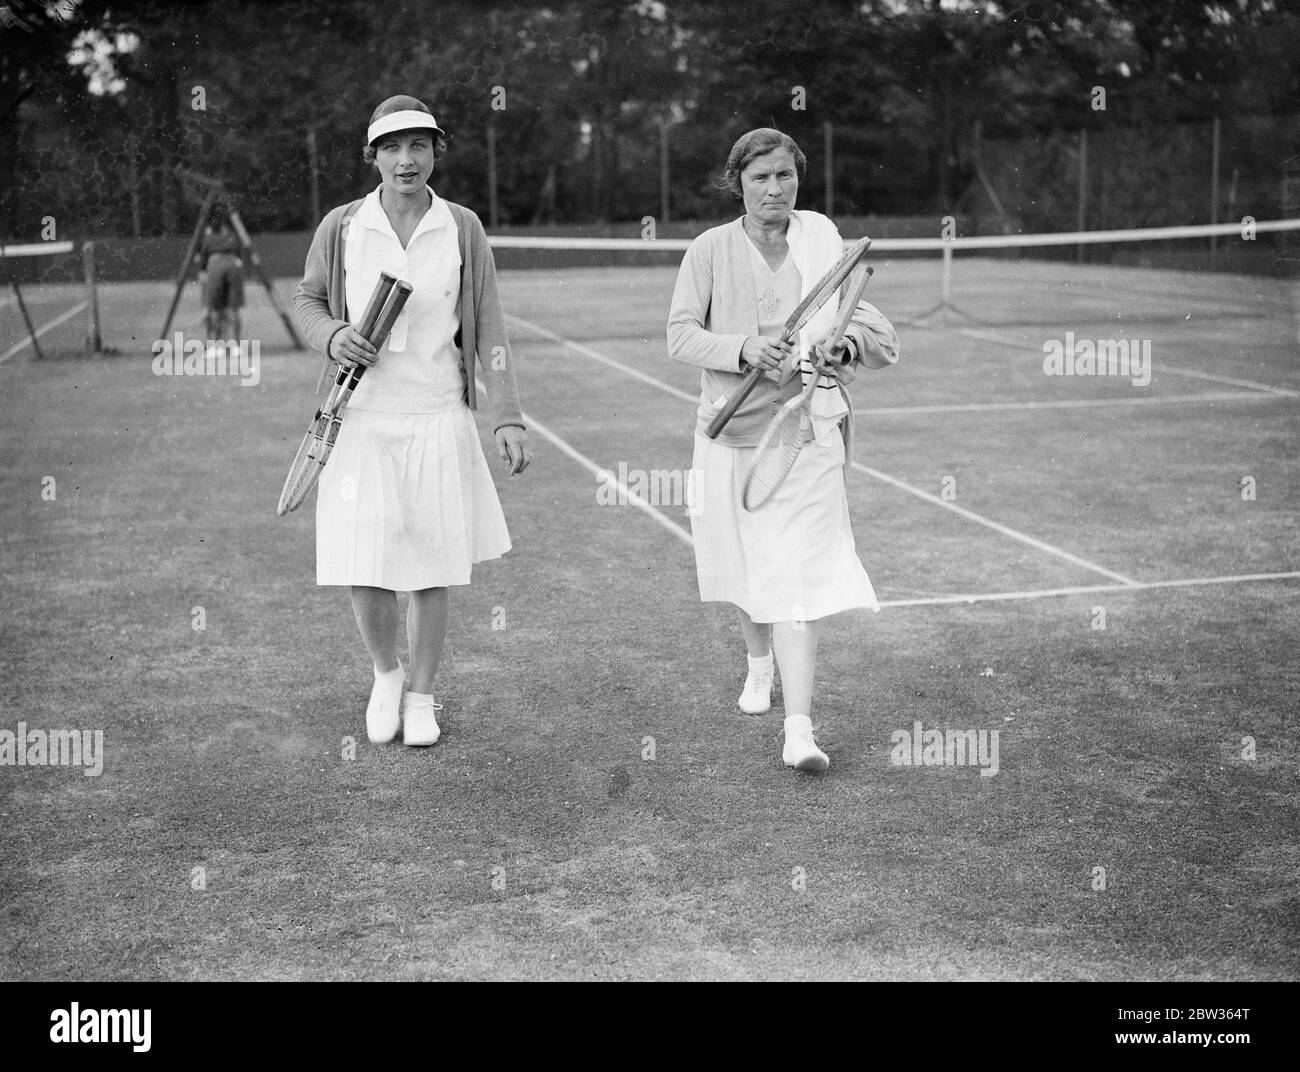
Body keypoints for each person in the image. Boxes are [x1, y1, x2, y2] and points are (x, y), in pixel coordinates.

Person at [293, 95, 531, 747]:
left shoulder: (463, 227)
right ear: (373, 156)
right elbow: (307, 300)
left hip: (437, 414)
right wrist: (335, 334)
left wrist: (507, 415)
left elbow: (492, 328)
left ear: (435, 153)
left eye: (419, 146)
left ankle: (423, 697)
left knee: (431, 566)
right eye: (393, 147)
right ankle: (386, 675)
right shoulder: (341, 226)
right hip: (361, 418)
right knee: (363, 562)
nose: (407, 159)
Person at [667, 127, 900, 772]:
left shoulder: (822, 240)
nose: (775, 189)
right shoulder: (710, 249)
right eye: (760, 178)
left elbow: (872, 327)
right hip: (732, 433)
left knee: (796, 570)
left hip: (809, 430)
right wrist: (742, 348)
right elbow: (680, 336)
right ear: (737, 184)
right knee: (745, 565)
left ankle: (799, 731)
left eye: (785, 176)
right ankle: (757, 664)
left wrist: (844, 348)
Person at [197, 206, 244, 359]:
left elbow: (203, 256)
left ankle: (216, 347)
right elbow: (239, 253)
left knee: (215, 309)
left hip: (215, 265)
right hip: (233, 265)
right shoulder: (231, 235)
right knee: (234, 309)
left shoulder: (209, 237)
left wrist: (202, 270)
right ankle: (235, 345)